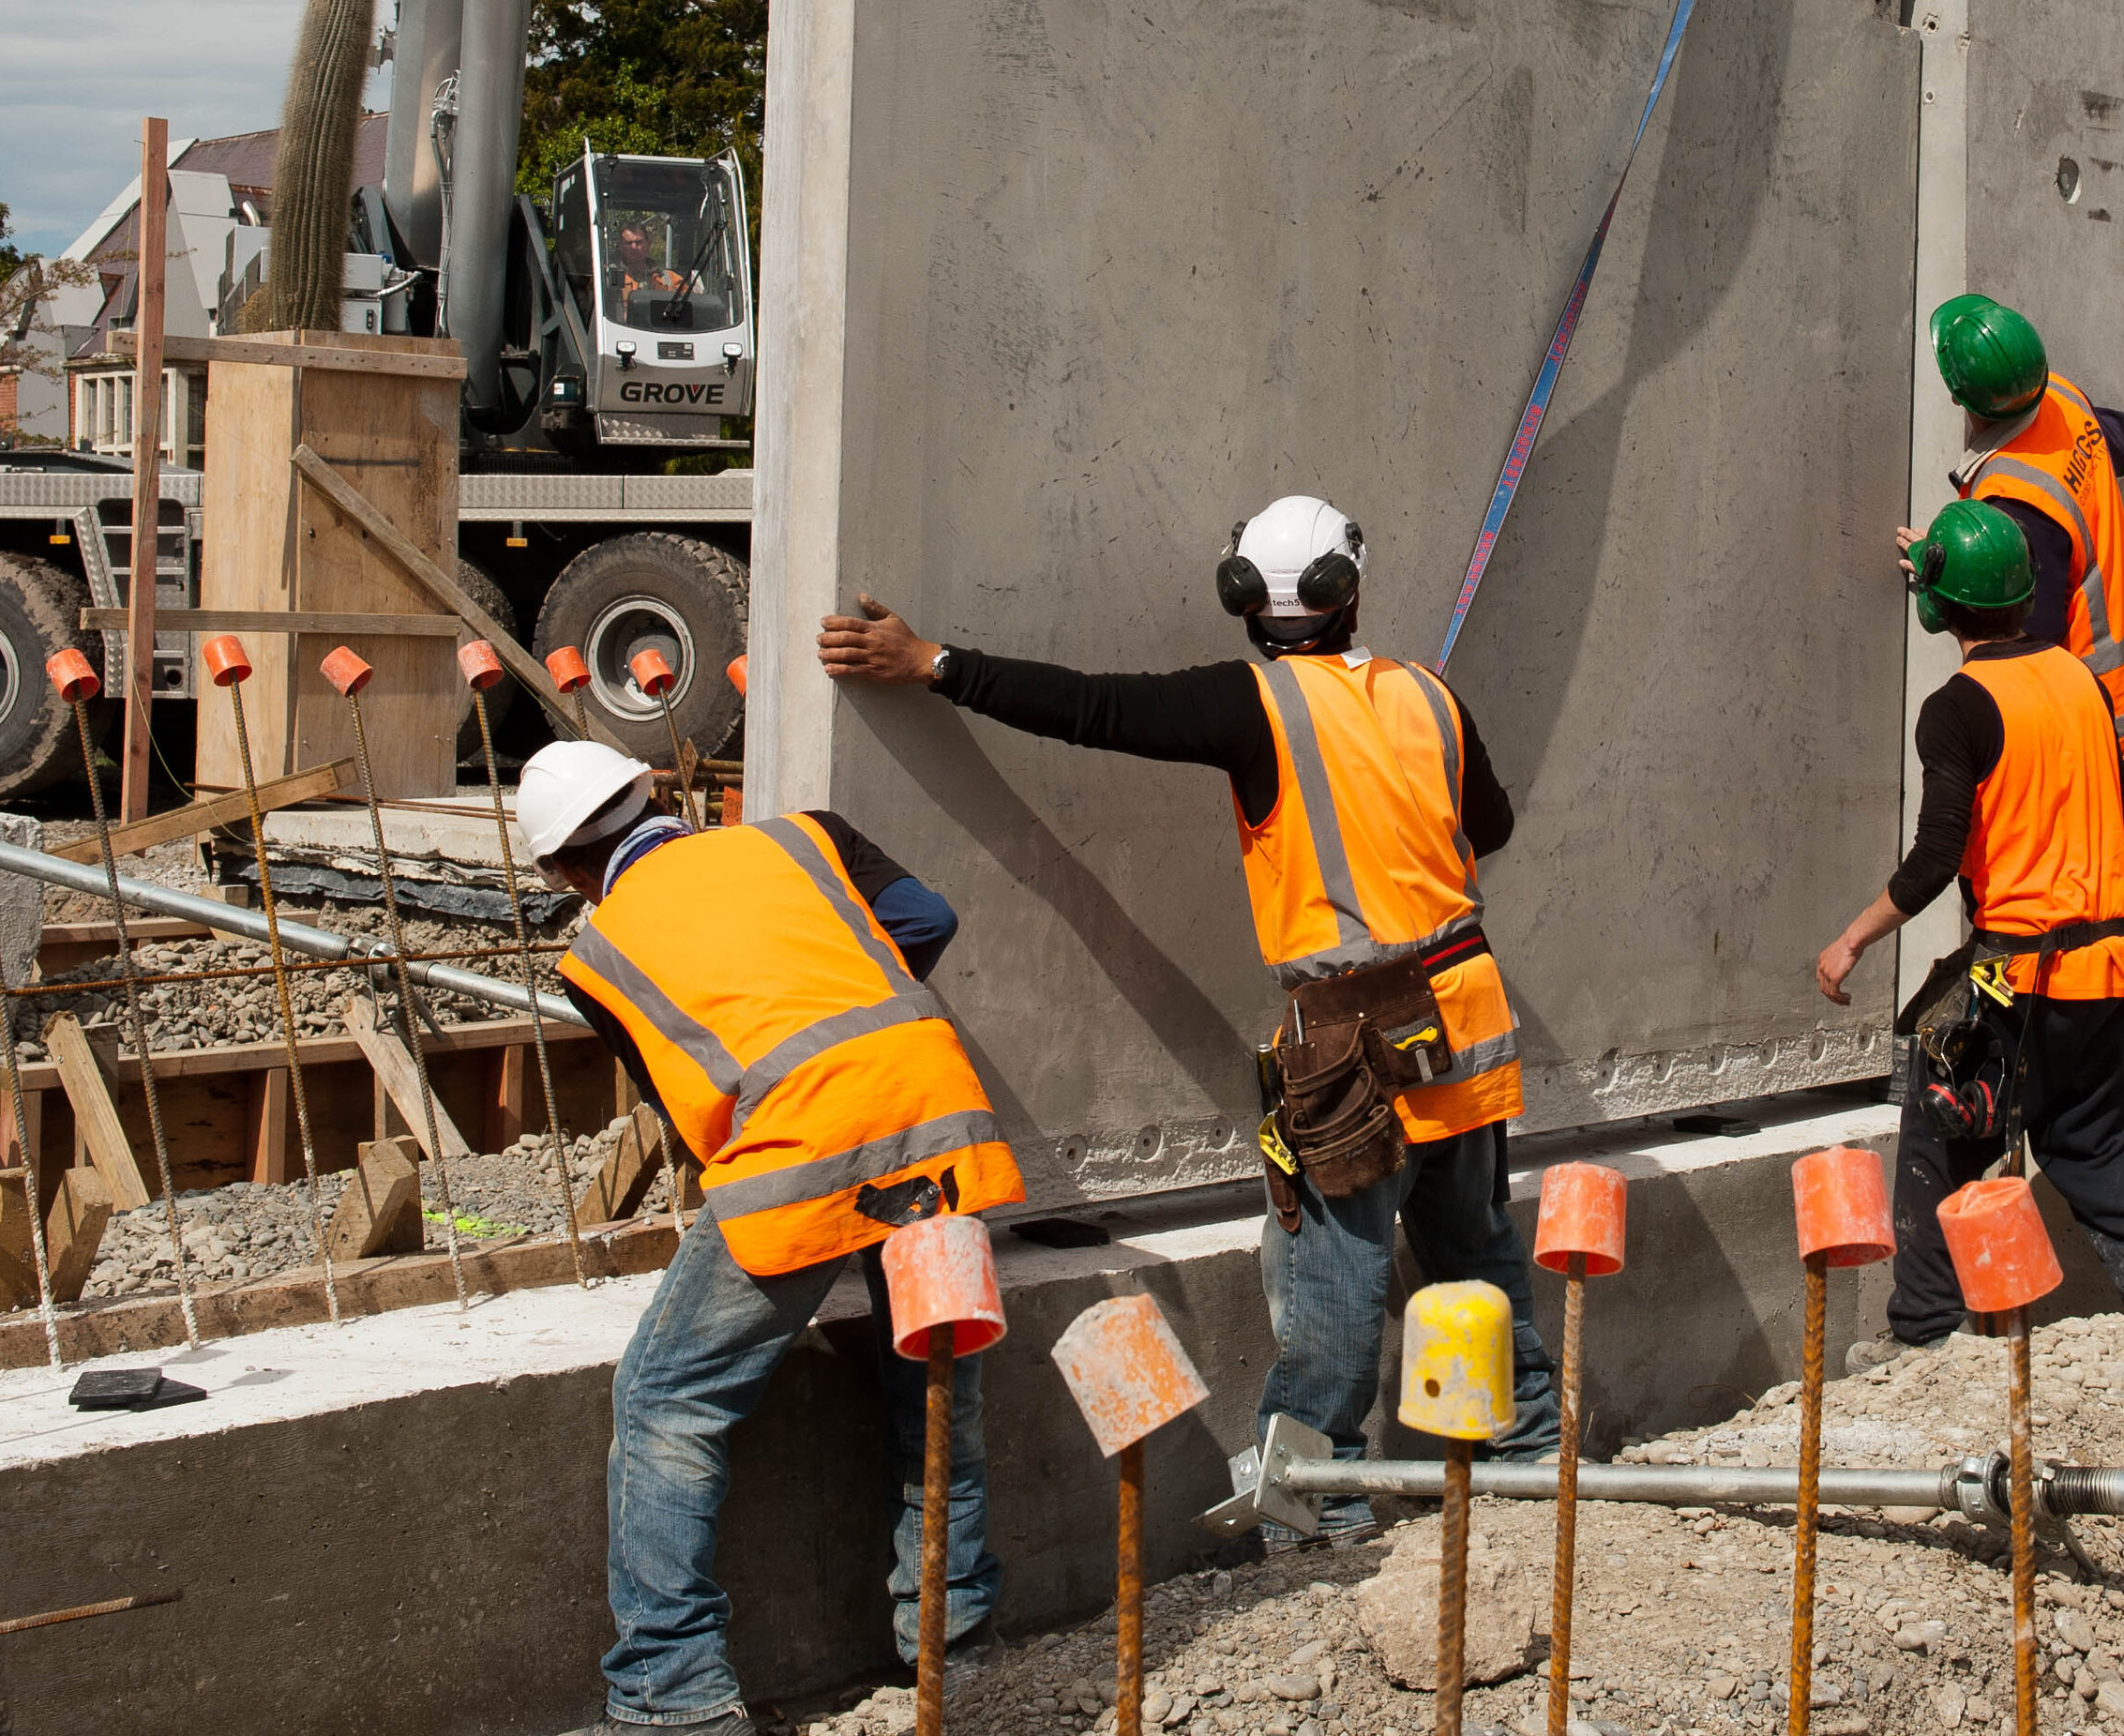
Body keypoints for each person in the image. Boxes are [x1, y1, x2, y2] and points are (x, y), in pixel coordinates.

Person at [818, 493, 1558, 1531]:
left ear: (1244, 600)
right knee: (1477, 1256)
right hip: (1467, 1030)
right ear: (1352, 592)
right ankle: (1533, 1462)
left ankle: (1318, 1515)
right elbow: (1494, 825)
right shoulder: (1431, 694)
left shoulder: (1251, 705)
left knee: (1333, 1297)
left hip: (1355, 1047)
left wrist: (931, 661)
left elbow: (1091, 707)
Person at [525, 737, 1023, 1734]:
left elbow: (684, 1099)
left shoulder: (597, 953)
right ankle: (955, 1645)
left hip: (803, 1154)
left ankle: (670, 1690)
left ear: (565, 873)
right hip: (941, 1118)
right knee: (931, 1380)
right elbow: (928, 918)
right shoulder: (802, 839)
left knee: (669, 1398)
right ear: (653, 796)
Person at [1819, 502, 2124, 1343]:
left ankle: (1922, 1331)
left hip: (2023, 980)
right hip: (2108, 973)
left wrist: (1850, 938)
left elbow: (1932, 862)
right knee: (2092, 1139)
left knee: (1941, 1120)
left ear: (1936, 607)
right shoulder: (2081, 681)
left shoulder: (1958, 705)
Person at [1921, 293, 2124, 1131]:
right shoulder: (2058, 399)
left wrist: (1942, 580)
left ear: (1965, 399)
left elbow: (2022, 637)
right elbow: (2116, 441)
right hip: (2122, 693)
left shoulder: (2017, 500)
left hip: (2089, 718)